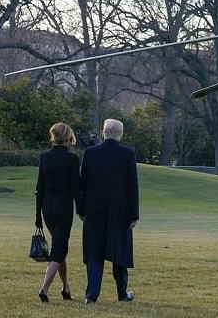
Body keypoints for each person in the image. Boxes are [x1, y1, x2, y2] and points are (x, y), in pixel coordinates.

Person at [79, 118, 139, 305]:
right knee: (119, 252)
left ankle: (91, 295)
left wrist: (81, 210)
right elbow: (132, 186)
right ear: (120, 134)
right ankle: (122, 293)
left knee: (94, 253)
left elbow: (83, 184)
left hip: (94, 211)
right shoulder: (127, 154)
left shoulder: (90, 153)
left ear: (103, 132)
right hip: (120, 212)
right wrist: (134, 214)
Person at [34, 123, 82, 302]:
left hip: (47, 208)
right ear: (69, 137)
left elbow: (40, 187)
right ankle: (44, 288)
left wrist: (38, 215)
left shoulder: (44, 157)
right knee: (59, 249)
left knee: (59, 247)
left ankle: (66, 288)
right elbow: (75, 188)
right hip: (63, 208)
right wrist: (81, 210)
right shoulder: (71, 158)